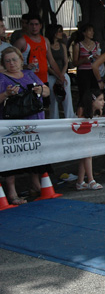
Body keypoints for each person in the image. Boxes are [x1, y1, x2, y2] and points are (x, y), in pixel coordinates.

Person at [0, 47, 51, 204]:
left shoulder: (29, 74)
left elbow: (47, 92)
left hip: (35, 119)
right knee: (13, 157)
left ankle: (35, 186)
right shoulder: (1, 78)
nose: (12, 63)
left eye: (14, 59)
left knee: (36, 153)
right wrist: (7, 94)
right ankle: (12, 193)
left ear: (21, 60)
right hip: (13, 123)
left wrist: (40, 89)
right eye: (7, 61)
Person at [75, 89, 104, 190]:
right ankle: (91, 180)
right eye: (100, 100)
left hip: (87, 136)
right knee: (87, 155)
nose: (103, 102)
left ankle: (80, 181)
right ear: (92, 101)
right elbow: (79, 123)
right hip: (79, 135)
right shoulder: (82, 110)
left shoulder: (95, 111)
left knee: (85, 157)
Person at [24, 14, 63, 89]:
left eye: (36, 24)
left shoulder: (45, 40)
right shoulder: (22, 41)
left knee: (46, 100)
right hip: (28, 80)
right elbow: (13, 60)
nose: (34, 27)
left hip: (44, 79)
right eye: (31, 24)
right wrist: (25, 66)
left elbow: (51, 60)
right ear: (28, 26)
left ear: (40, 26)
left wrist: (60, 76)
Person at [45, 24, 76, 119]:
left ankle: (69, 117)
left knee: (67, 98)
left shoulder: (62, 45)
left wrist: (62, 75)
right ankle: (54, 119)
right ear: (53, 33)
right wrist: (57, 75)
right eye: (59, 31)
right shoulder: (47, 45)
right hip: (51, 75)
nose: (61, 33)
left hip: (63, 74)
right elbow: (48, 64)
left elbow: (66, 62)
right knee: (53, 100)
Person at [72, 23, 102, 96]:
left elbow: (100, 58)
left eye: (93, 31)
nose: (92, 33)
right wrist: (83, 60)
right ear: (84, 33)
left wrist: (97, 58)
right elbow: (74, 63)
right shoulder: (78, 45)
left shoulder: (96, 44)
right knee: (84, 93)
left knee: (95, 93)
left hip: (94, 71)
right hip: (83, 72)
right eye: (89, 31)